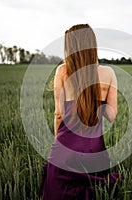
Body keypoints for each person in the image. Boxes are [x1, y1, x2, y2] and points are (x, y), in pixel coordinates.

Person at [39, 24, 122, 200]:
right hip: (95, 152)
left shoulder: (62, 71)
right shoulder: (109, 73)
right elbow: (111, 115)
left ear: (70, 47)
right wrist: (98, 99)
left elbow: (58, 114)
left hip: (65, 151)